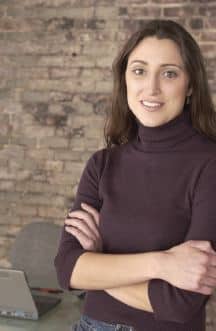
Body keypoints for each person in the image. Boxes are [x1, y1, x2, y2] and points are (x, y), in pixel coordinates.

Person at [54, 19, 216, 331]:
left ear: (191, 84)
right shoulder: (102, 164)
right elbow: (66, 270)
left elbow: (179, 303)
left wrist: (98, 262)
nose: (151, 88)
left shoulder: (209, 165)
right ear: (125, 78)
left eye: (169, 73)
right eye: (139, 70)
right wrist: (163, 263)